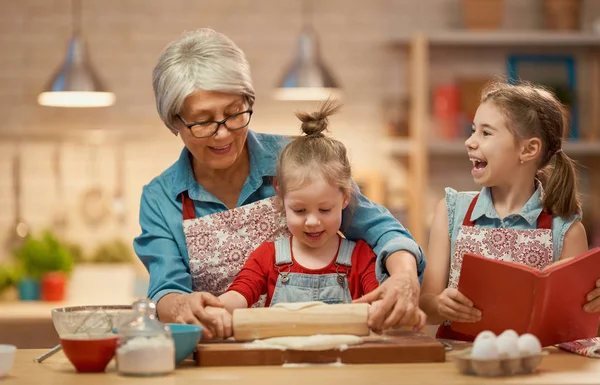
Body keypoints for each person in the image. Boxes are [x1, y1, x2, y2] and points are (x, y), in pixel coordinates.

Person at [133, 28, 425, 340]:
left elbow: (381, 229)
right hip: (219, 354)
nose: (223, 133)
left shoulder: (296, 161)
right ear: (174, 121)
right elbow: (166, 289)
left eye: (234, 113)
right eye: (203, 121)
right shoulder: (161, 197)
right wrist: (179, 305)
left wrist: (405, 275)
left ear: (248, 101)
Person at [196, 101, 426, 338]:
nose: (313, 221)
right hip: (280, 366)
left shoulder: (361, 257)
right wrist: (218, 310)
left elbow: (380, 300)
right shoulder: (267, 257)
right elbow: (238, 295)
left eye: (325, 210)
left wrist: (396, 312)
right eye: (300, 210)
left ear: (346, 198)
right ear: (281, 197)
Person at [419, 80, 591, 340]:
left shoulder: (567, 231)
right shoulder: (450, 210)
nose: (469, 141)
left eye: (486, 133)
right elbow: (426, 306)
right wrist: (440, 304)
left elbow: (571, 329)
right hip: (460, 365)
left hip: (533, 367)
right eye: (473, 130)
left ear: (529, 149)